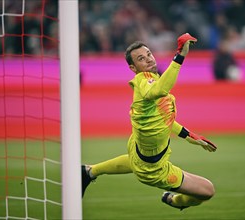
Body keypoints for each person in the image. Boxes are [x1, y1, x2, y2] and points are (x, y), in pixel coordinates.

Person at [82, 33, 217, 210]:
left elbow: (164, 118)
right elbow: (158, 92)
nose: (148, 60)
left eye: (149, 54)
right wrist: (180, 56)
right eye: (141, 59)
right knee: (207, 191)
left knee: (135, 160)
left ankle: (89, 171)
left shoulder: (154, 79)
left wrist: (190, 136)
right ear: (133, 67)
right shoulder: (143, 81)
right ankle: (175, 201)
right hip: (153, 168)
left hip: (138, 148)